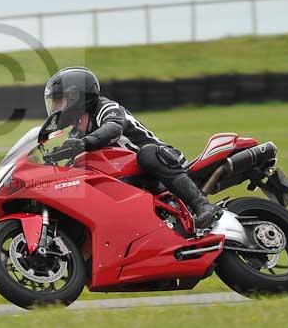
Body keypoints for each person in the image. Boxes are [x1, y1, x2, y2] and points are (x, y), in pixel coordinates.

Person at [43, 67, 222, 228]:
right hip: (134, 176)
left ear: (76, 97)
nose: (55, 107)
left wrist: (88, 142)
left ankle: (202, 205)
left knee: (147, 153)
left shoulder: (105, 108)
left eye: (59, 101)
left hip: (164, 160)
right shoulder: (75, 134)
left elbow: (113, 127)